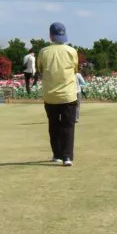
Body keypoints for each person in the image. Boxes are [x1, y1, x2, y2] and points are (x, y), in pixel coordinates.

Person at [37, 22, 80, 166]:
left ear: (50, 36)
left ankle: (57, 155)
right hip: (68, 95)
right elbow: (74, 69)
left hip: (50, 95)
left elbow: (40, 69)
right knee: (68, 126)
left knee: (53, 125)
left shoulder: (43, 52)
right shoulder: (72, 51)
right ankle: (67, 157)